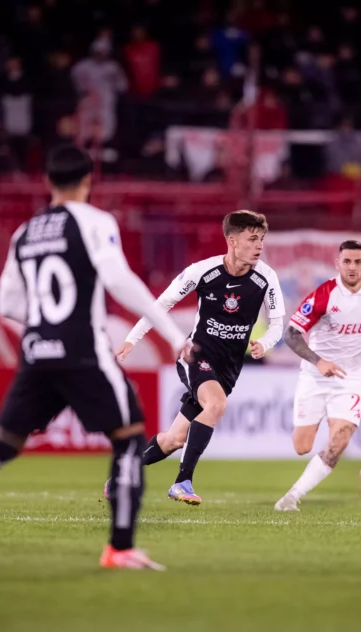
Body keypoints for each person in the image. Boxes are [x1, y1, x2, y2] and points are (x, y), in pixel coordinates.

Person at [0, 145, 190, 570]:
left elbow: (7, 303)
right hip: (83, 350)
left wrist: (47, 323)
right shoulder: (94, 221)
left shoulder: (25, 233)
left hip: (37, 352)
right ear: (88, 181)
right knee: (128, 439)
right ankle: (119, 548)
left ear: (48, 183)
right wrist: (174, 333)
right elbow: (119, 279)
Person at [115, 211, 285, 505]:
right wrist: (132, 338)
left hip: (229, 368)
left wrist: (265, 342)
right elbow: (161, 304)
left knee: (173, 440)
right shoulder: (202, 272)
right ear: (232, 241)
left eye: (262, 239)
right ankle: (182, 482)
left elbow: (278, 323)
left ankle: (121, 473)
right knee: (217, 404)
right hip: (196, 356)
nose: (259, 246)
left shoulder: (267, 277)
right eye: (252, 239)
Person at [275, 241, 361, 511]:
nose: (352, 267)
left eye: (358, 262)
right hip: (316, 375)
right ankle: (312, 430)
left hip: (353, 377)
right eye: (347, 261)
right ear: (338, 264)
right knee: (302, 446)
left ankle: (292, 497)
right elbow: (291, 334)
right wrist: (319, 361)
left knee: (339, 442)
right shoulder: (324, 295)